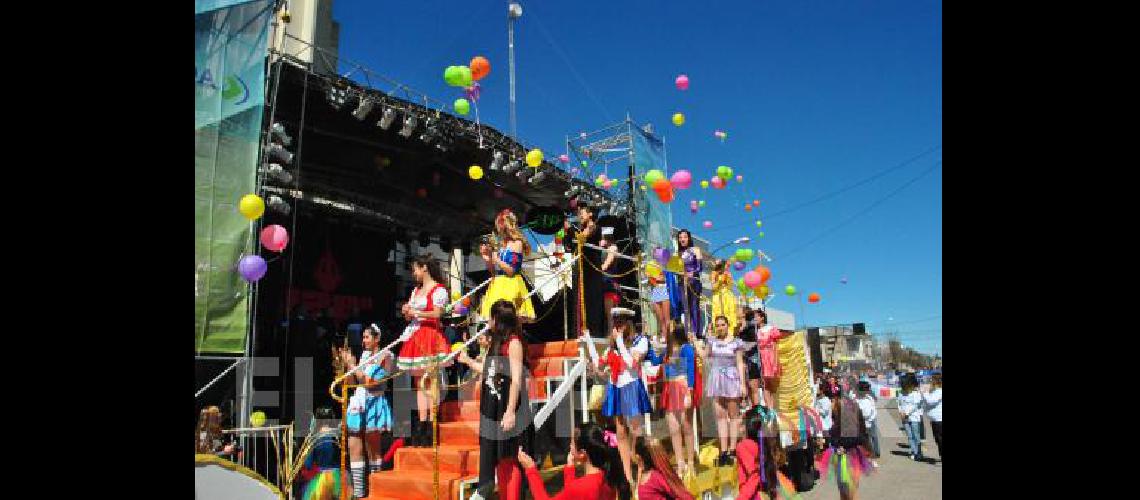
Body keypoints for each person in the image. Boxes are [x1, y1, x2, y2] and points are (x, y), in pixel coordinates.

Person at [457, 300, 534, 500]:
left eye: (491, 317)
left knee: (510, 457)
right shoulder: (496, 342)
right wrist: (467, 361)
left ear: (498, 320)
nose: (488, 321)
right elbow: (489, 371)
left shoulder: (514, 343)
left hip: (507, 405)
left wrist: (510, 412)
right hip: (492, 405)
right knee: (499, 458)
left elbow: (516, 379)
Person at [582, 307, 653, 486]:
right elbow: (600, 365)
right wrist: (589, 341)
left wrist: (620, 342)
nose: (617, 327)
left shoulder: (640, 341)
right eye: (615, 323)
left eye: (620, 323)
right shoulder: (612, 348)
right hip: (616, 388)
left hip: (631, 387)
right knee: (620, 431)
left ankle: (643, 471)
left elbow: (631, 363)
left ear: (628, 324)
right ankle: (628, 477)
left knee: (636, 432)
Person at [397, 254, 453, 447]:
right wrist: (407, 312)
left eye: (415, 269)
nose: (414, 273)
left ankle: (432, 422)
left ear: (424, 268)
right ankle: (421, 425)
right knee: (419, 384)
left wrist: (416, 312)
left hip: (430, 335)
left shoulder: (439, 290)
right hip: (415, 335)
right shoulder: (415, 291)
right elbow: (410, 318)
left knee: (431, 381)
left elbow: (438, 314)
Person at [340, 325, 395, 498]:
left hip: (374, 402)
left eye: (367, 337)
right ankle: (359, 492)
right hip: (359, 402)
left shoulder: (386, 356)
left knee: (373, 448)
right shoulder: (364, 356)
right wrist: (347, 366)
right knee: (353, 444)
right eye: (363, 337)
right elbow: (353, 381)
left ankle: (375, 489)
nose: (364, 341)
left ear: (377, 338)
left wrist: (353, 365)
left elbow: (371, 382)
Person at [517, 421, 632, 500]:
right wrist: (570, 469)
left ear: (582, 453)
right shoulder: (608, 477)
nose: (570, 446)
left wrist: (530, 469)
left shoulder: (582, 486)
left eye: (572, 443)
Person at [694, 315, 748, 466]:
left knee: (734, 416)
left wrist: (743, 384)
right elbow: (704, 355)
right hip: (717, 379)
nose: (720, 327)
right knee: (720, 416)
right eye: (718, 325)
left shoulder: (736, 342)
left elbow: (739, 363)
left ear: (728, 325)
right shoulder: (712, 341)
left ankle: (732, 450)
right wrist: (695, 342)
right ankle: (724, 451)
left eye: (723, 324)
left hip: (731, 379)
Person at [817, 382, 873, 500]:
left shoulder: (848, 411)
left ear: (837, 399)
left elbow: (859, 437)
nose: (831, 404)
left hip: (850, 456)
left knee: (849, 492)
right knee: (843, 492)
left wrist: (841, 444)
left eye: (832, 400)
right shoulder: (839, 414)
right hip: (841, 456)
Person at [655, 324, 698, 477]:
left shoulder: (686, 348)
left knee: (686, 426)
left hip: (683, 386)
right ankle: (680, 463)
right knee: (673, 428)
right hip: (670, 388)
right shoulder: (666, 350)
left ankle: (691, 462)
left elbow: (691, 370)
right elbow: (654, 360)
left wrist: (690, 391)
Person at [480, 209, 536, 322]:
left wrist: (496, 259)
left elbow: (512, 270)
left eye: (500, 226)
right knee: (495, 321)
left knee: (510, 320)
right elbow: (493, 271)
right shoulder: (500, 244)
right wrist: (486, 258)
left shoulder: (517, 243)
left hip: (511, 284)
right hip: (497, 284)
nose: (499, 230)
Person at [737, 406, 793, 500]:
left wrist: (741, 498)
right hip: (769, 492)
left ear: (749, 427)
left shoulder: (744, 446)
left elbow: (754, 476)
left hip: (754, 495)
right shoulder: (766, 444)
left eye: (743, 422)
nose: (739, 424)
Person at [755, 309, 788, 408]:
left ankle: (775, 407)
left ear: (762, 317)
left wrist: (775, 361)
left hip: (770, 356)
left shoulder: (770, 328)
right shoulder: (755, 331)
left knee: (772, 383)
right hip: (760, 357)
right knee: (764, 384)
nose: (755, 319)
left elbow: (775, 344)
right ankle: (770, 408)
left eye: (757, 316)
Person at [675, 229, 704, 336]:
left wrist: (692, 272)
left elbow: (700, 267)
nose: (682, 239)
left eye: (685, 237)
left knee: (694, 307)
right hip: (682, 283)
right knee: (685, 308)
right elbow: (676, 269)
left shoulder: (695, 249)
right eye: (680, 237)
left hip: (694, 282)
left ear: (689, 238)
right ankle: (688, 332)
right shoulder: (678, 254)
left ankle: (698, 333)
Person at [738, 308, 763, 408]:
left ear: (744, 314)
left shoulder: (751, 327)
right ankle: (750, 411)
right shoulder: (738, 328)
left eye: (739, 310)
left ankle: (757, 411)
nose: (736, 311)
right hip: (742, 361)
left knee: (753, 387)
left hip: (752, 359)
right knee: (746, 387)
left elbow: (755, 342)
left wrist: (742, 349)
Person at [897, 375, 925, 461]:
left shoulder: (915, 393)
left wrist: (907, 413)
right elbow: (899, 403)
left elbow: (916, 406)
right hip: (904, 418)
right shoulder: (901, 393)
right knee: (909, 436)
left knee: (916, 435)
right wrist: (901, 412)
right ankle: (913, 451)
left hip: (914, 417)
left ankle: (919, 452)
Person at [709, 259, 739, 335]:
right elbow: (713, 288)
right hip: (718, 297)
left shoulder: (728, 274)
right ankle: (718, 333)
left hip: (728, 296)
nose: (727, 268)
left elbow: (730, 286)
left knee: (729, 314)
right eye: (725, 266)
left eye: (728, 266)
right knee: (719, 314)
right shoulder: (714, 273)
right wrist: (720, 281)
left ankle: (730, 333)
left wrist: (728, 278)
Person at [646, 257, 671, 343]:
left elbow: (665, 278)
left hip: (664, 289)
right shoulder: (650, 265)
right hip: (655, 290)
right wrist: (653, 277)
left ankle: (669, 338)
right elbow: (650, 279)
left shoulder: (664, 265)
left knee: (667, 318)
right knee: (660, 318)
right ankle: (664, 336)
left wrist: (657, 277)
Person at [855, 381, 880, 466]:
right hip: (860, 423)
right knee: (862, 442)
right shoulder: (857, 399)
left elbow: (867, 413)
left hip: (868, 422)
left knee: (870, 440)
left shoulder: (868, 399)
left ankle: (873, 457)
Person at [923, 373, 942, 462]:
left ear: (935, 381)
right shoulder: (934, 391)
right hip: (934, 419)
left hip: (939, 420)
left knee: (940, 439)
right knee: (937, 439)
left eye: (931, 380)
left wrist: (925, 392)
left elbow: (931, 401)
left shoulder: (940, 391)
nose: (930, 382)